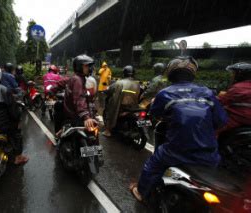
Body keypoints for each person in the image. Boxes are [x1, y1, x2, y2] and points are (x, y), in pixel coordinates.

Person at [129, 56, 227, 203]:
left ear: (171, 73)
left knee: (153, 164)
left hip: (176, 151)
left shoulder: (165, 93)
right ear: (192, 73)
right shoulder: (207, 92)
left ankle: (141, 191)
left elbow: (155, 114)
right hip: (209, 155)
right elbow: (221, 121)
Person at [51, 54, 98, 133]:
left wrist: (51, 91)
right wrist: (85, 116)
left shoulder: (77, 78)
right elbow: (79, 98)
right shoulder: (77, 80)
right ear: (79, 67)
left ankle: (58, 132)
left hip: (78, 113)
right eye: (86, 66)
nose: (89, 68)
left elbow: (59, 84)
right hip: (77, 114)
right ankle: (59, 132)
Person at [102, 65, 140, 137]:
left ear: (124, 73)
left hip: (120, 106)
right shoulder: (137, 83)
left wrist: (105, 90)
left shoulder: (119, 83)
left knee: (111, 110)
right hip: (132, 106)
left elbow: (110, 89)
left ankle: (108, 131)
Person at [218, 62, 251, 135]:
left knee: (212, 128)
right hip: (246, 119)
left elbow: (220, 102)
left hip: (239, 120)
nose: (232, 76)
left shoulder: (238, 88)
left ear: (241, 75)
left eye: (234, 74)